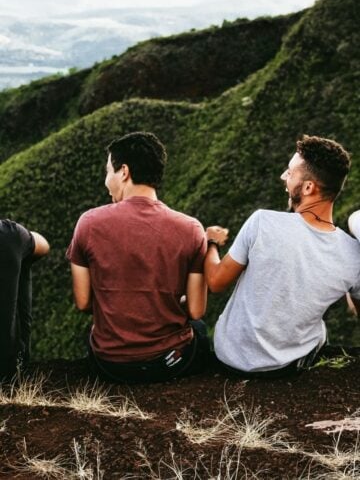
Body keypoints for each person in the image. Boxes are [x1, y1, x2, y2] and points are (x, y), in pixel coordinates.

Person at [66, 131, 227, 383]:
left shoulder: (88, 223)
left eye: (108, 171)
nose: (106, 180)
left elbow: (84, 302)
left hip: (110, 365)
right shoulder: (191, 228)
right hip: (170, 363)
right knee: (199, 330)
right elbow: (196, 310)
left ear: (124, 172)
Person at [205, 135, 360, 378]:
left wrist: (211, 243)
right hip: (286, 368)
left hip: (229, 358)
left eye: (290, 173)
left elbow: (215, 282)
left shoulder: (262, 221)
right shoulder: (353, 254)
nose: (283, 177)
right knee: (319, 329)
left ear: (309, 187)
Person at [0, 220, 49, 380]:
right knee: (24, 258)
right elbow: (43, 245)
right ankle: (19, 358)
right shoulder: (9, 233)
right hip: (5, 373)